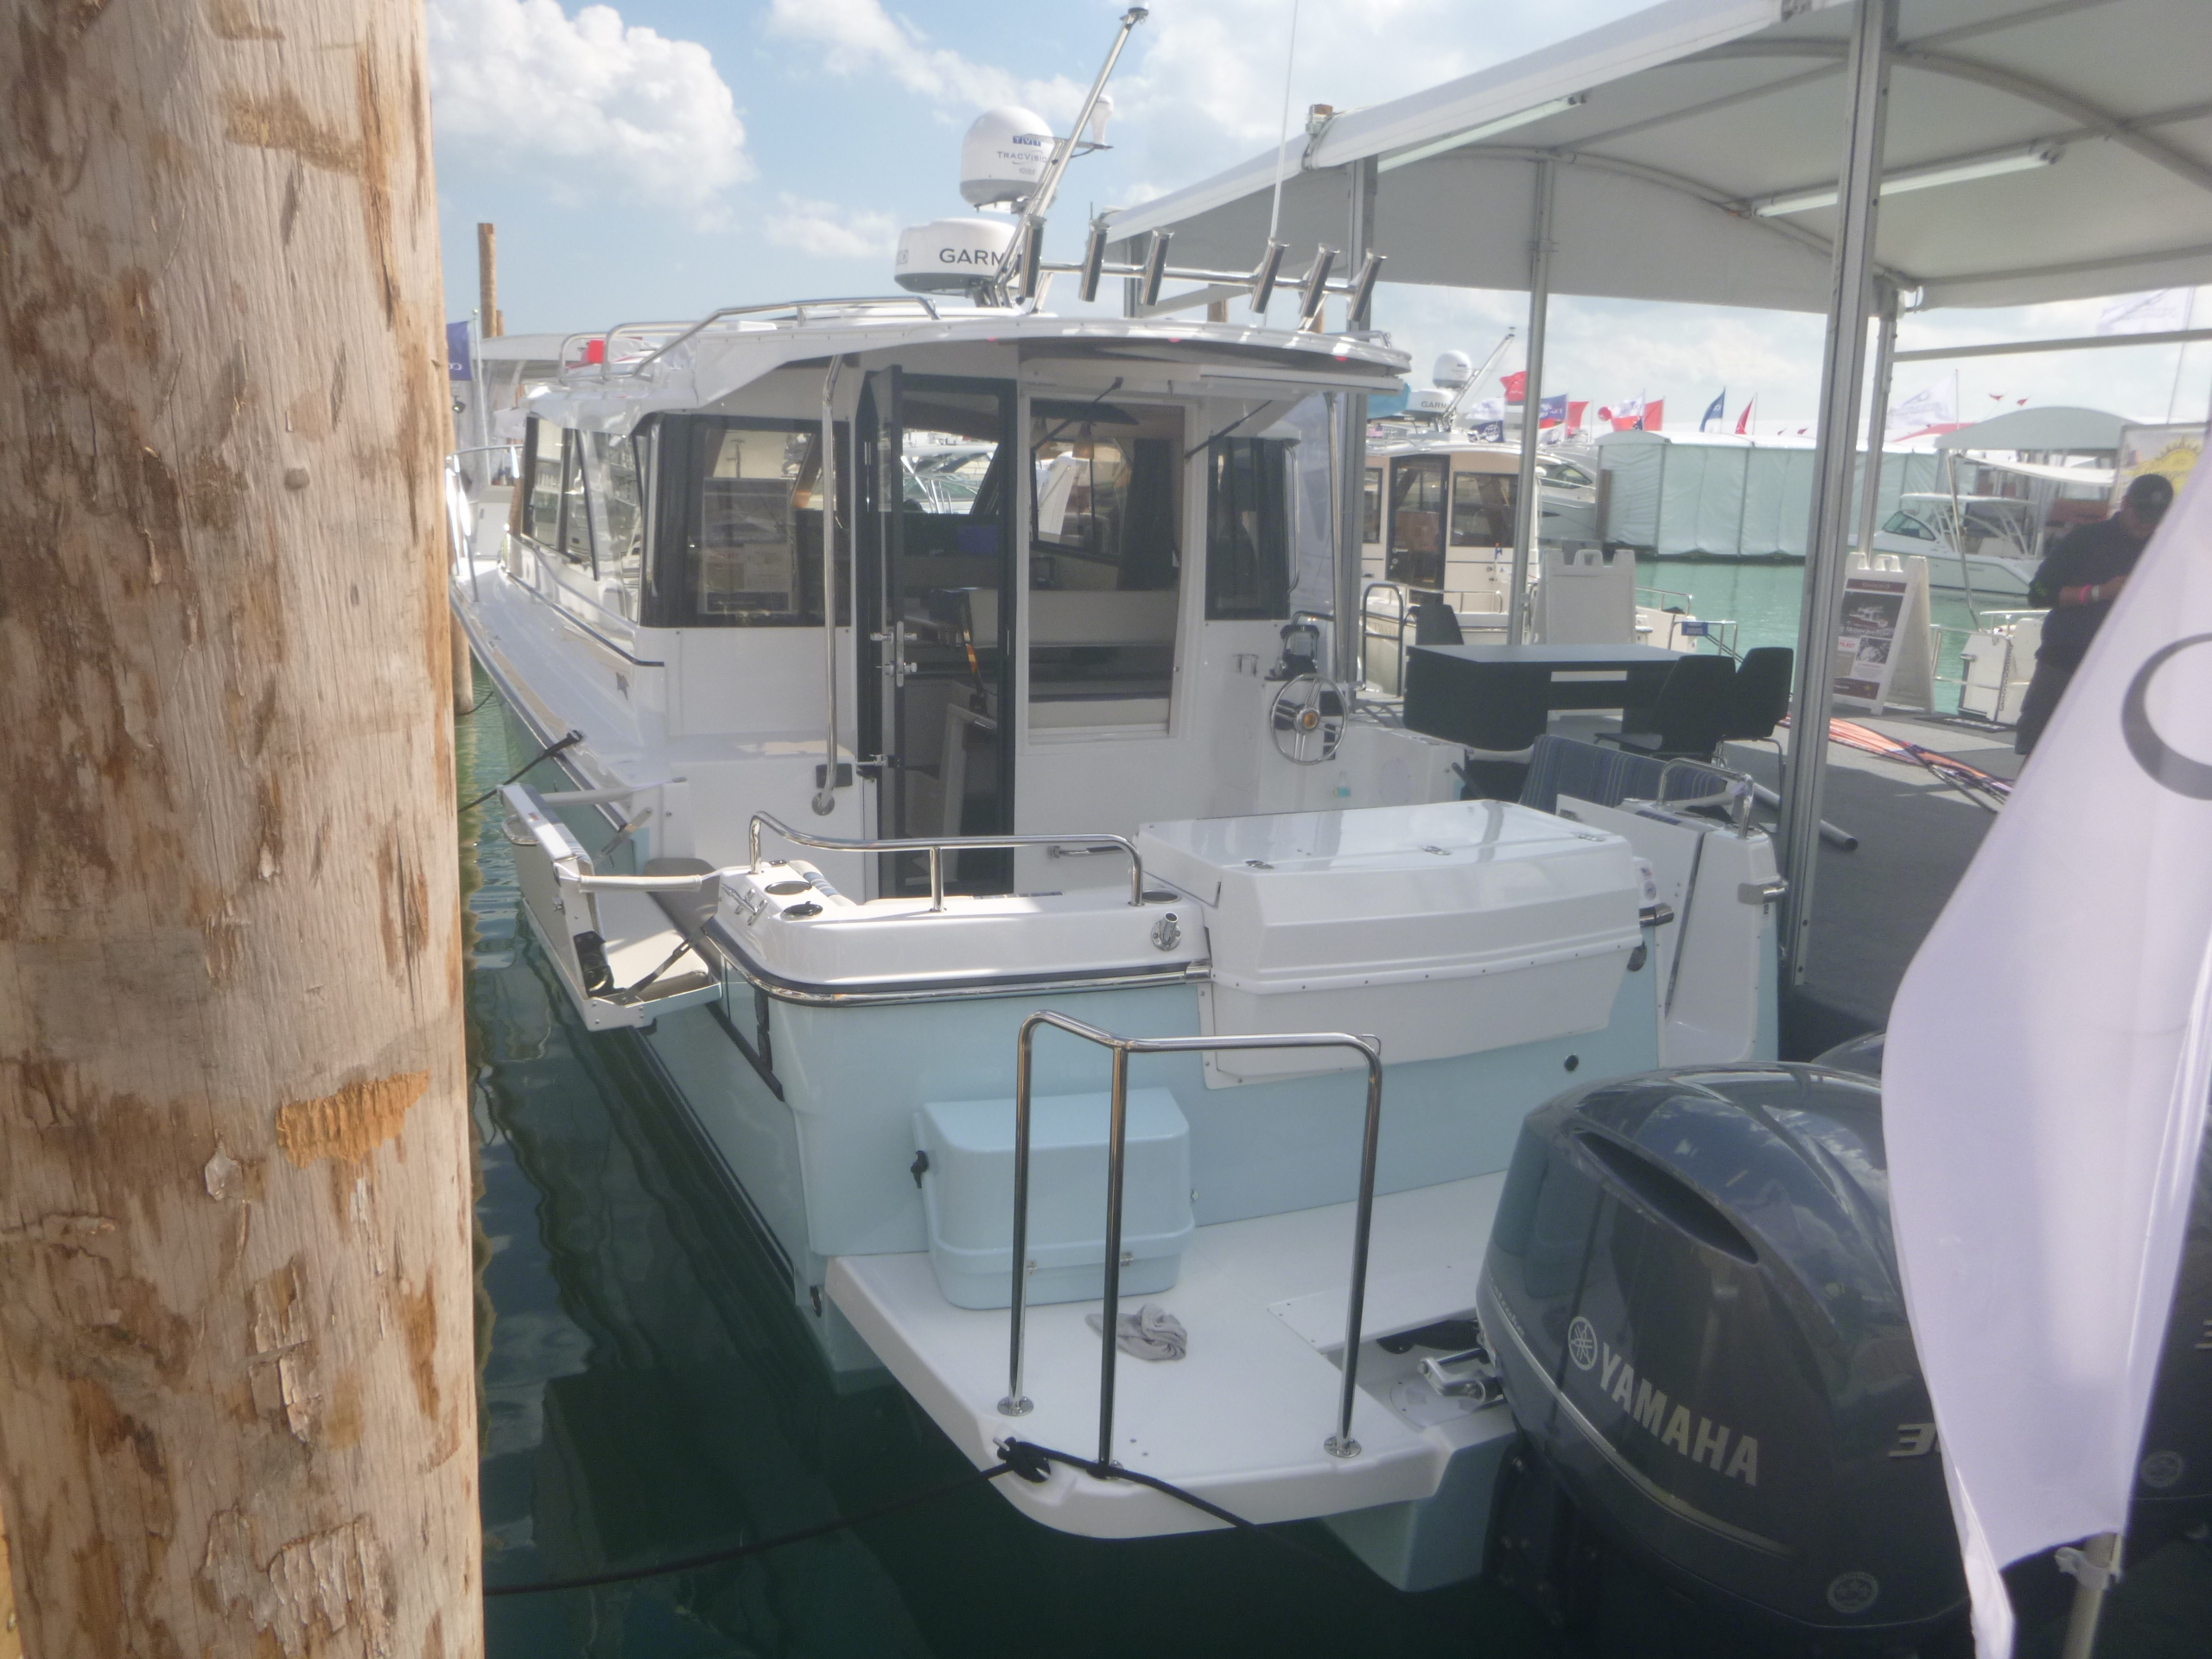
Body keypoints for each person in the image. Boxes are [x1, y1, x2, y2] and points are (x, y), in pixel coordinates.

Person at [2014, 472, 2174, 755]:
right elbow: (2039, 594)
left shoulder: (2166, 551)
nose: (2146, 523)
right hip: (2065, 660)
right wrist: (2099, 593)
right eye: (2142, 513)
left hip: (2124, 670)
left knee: (2103, 755)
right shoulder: (2085, 539)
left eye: (2155, 517)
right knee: (2039, 748)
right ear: (2125, 503)